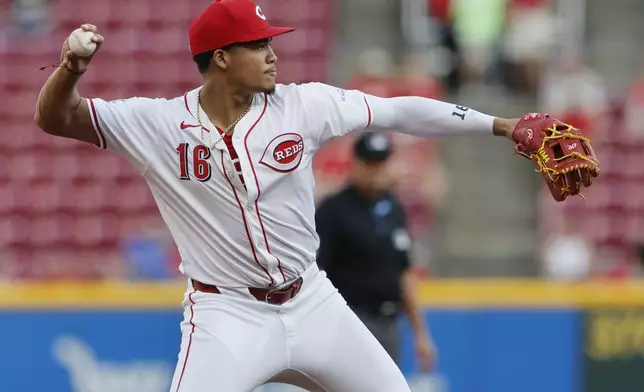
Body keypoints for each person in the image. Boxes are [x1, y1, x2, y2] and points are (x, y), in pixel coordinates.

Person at [34, 1, 526, 391]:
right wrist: (72, 67)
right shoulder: (157, 124)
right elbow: (56, 117)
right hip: (227, 313)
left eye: (270, 42)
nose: (272, 54)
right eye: (258, 44)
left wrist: (502, 126)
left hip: (311, 300)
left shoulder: (302, 105)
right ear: (221, 58)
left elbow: (398, 112)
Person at [315, 132, 436, 371]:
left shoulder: (393, 208)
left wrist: (421, 332)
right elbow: (315, 270)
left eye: (381, 162)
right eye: (370, 162)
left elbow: (403, 272)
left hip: (390, 322)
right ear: (356, 163)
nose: (376, 169)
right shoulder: (334, 209)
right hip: (350, 321)